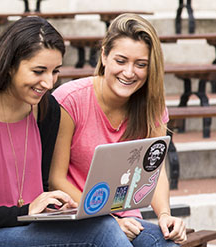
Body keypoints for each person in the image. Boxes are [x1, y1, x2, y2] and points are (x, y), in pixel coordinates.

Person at [0, 16, 134, 247]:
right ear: (11, 66)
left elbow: (40, 185)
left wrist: (56, 206)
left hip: (32, 226)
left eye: (54, 72)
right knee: (101, 231)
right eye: (39, 71)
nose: (49, 83)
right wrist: (23, 211)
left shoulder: (46, 109)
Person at [50, 13, 187, 246]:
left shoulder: (152, 106)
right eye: (121, 61)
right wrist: (109, 220)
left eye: (141, 64)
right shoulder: (69, 100)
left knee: (165, 243)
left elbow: (154, 170)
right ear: (104, 55)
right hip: (76, 218)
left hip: (128, 219)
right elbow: (56, 179)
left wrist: (165, 215)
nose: (129, 72)